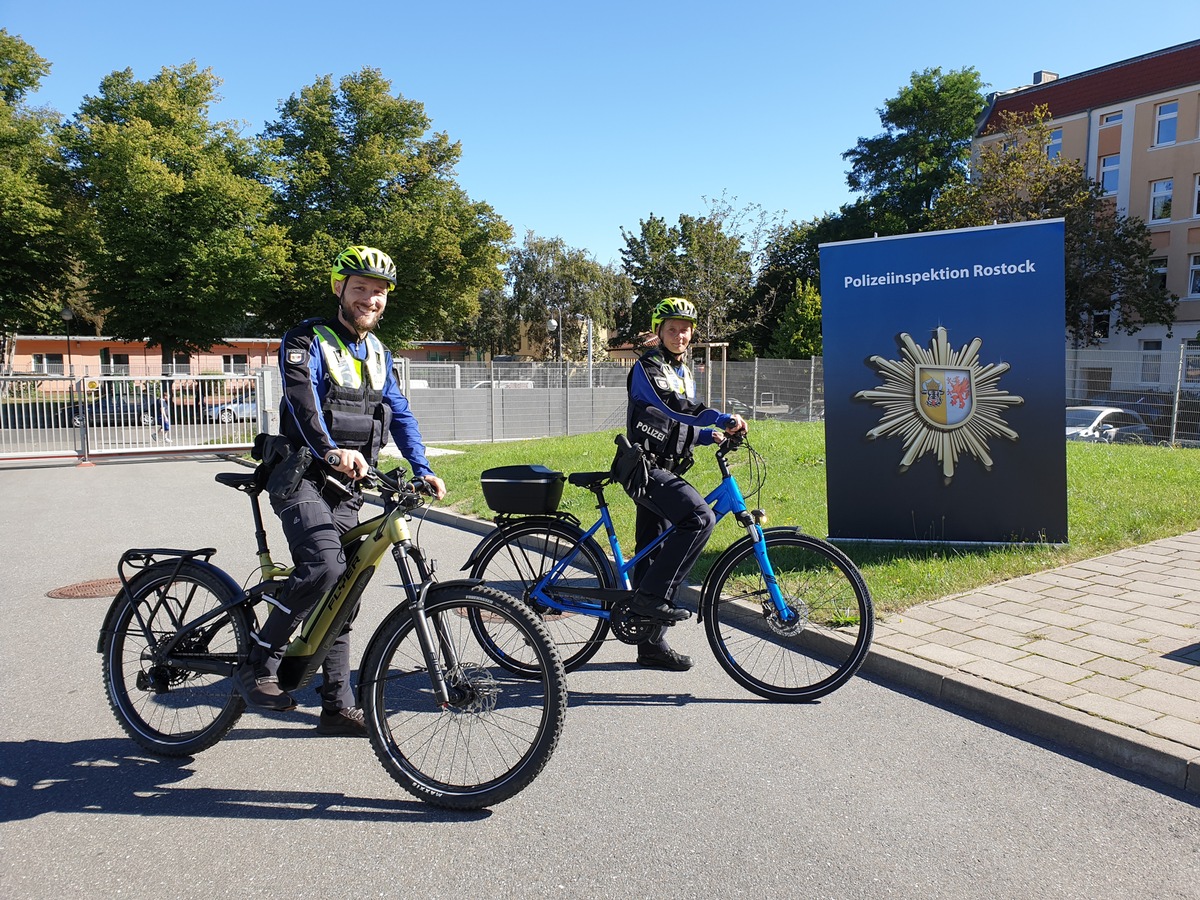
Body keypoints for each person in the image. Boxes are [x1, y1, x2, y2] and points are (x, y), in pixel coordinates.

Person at [234, 245, 447, 736]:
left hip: (348, 485)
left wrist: (422, 465)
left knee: (344, 594)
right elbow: (302, 401)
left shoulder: (379, 352)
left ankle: (336, 706)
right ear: (339, 289)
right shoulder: (307, 339)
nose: (369, 298)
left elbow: (401, 414)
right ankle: (260, 664)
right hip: (302, 474)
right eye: (360, 289)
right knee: (324, 566)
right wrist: (331, 451)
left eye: (378, 292)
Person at [623, 297, 747, 671]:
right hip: (644, 469)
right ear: (659, 332)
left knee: (653, 554)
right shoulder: (649, 366)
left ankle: (650, 644)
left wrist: (708, 437)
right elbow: (673, 406)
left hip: (666, 466)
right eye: (672, 329)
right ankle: (652, 601)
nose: (680, 335)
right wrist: (720, 418)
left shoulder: (683, 369)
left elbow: (672, 425)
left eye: (686, 329)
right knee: (700, 518)